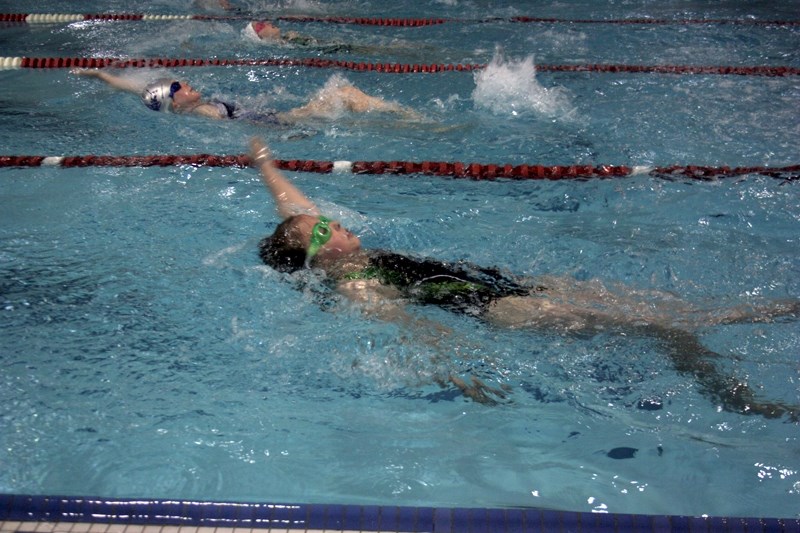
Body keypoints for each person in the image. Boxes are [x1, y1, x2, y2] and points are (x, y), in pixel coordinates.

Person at [247, 136, 800, 419]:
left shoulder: (328, 253)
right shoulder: (356, 284)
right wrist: (457, 377)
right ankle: (735, 399)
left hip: (507, 281)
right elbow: (408, 331)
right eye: (325, 228)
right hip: (502, 310)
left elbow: (294, 210)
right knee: (657, 329)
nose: (333, 220)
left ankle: (778, 308)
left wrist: (267, 165)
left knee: (665, 305)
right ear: (323, 257)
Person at [72, 69, 419, 124]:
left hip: (274, 117)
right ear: (173, 103)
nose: (187, 85)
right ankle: (412, 120)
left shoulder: (185, 106)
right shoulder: (201, 114)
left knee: (346, 94)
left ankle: (406, 118)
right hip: (279, 123)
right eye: (180, 88)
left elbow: (138, 89)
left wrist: (102, 75)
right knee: (343, 92)